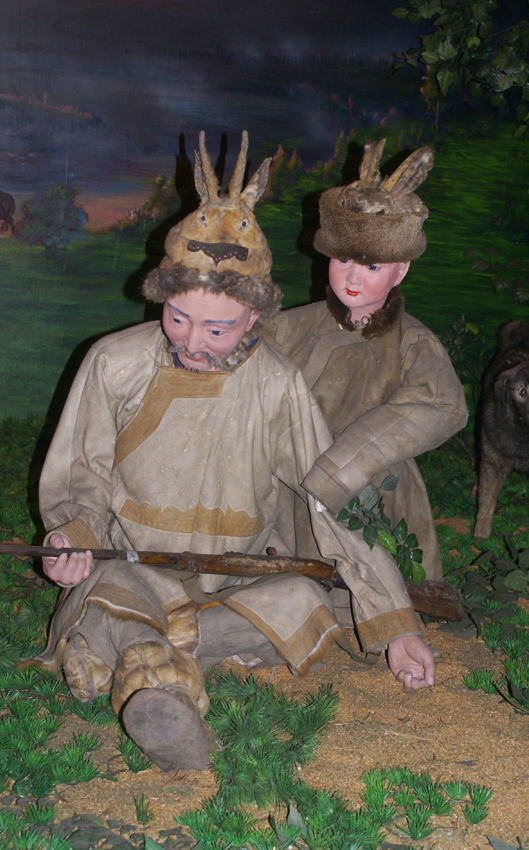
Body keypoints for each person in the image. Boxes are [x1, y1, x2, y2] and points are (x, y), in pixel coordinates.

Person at [30, 132, 435, 773]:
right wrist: (71, 537)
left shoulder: (277, 384)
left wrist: (395, 620)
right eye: (176, 317)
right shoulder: (114, 362)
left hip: (236, 580)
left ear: (254, 317)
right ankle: (158, 676)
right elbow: (82, 472)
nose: (192, 341)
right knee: (110, 588)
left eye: (217, 328)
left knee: (303, 603)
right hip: (130, 564)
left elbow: (332, 503)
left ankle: (135, 655)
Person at [266, 138, 468, 621]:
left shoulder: (412, 343)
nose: (353, 277)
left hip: (376, 490)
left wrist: (345, 466)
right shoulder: (288, 328)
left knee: (378, 589)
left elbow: (442, 405)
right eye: (343, 260)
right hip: (290, 489)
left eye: (372, 266)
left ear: (400, 271)